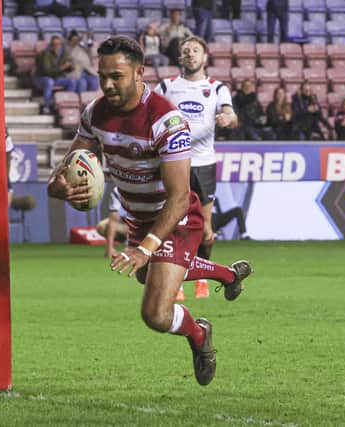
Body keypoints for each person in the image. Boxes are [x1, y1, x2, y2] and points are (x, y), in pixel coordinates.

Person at [47, 36, 252, 386]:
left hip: (176, 219)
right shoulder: (94, 113)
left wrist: (145, 248)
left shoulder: (165, 121)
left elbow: (178, 196)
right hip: (138, 217)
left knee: (155, 313)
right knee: (150, 276)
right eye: (103, 76)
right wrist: (60, 188)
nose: (108, 84)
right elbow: (63, 173)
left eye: (118, 76)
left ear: (139, 72)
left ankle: (199, 334)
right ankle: (226, 275)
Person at [154, 35, 238, 301]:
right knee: (173, 225)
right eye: (186, 51)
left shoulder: (216, 88)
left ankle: (202, 277)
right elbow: (148, 114)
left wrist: (228, 118)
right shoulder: (167, 87)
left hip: (203, 163)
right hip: (174, 162)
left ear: (205, 57)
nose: (190, 54)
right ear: (180, 57)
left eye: (195, 50)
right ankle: (175, 282)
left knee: (205, 230)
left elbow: (231, 114)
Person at [33, 35, 78, 114]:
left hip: (56, 78)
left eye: (58, 44)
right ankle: (46, 107)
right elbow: (47, 71)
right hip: (42, 78)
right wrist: (62, 68)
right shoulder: (46, 54)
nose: (57, 46)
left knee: (72, 82)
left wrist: (71, 67)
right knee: (49, 81)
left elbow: (68, 68)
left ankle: (65, 104)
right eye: (54, 44)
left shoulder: (63, 53)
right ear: (51, 45)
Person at [96, 187, 129, 258]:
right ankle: (128, 244)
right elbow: (113, 220)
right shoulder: (117, 191)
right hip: (128, 224)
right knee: (102, 226)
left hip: (151, 224)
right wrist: (109, 248)